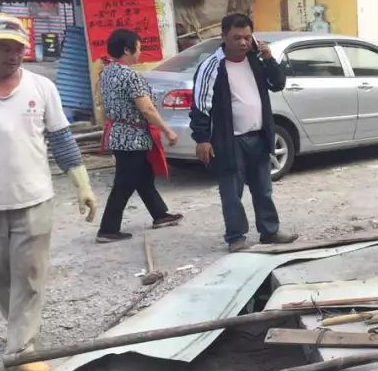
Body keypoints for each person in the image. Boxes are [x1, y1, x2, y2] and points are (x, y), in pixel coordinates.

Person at [0, 14, 97, 371]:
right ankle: (19, 329)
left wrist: (82, 185)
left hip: (34, 198)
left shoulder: (41, 87)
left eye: (18, 48)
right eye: (4, 48)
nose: (13, 55)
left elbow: (61, 139)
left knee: (29, 276)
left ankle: (21, 349)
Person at [190, 13, 298, 252]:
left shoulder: (256, 60)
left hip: (258, 136)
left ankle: (269, 231)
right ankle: (236, 237)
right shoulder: (212, 67)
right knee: (232, 193)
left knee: (264, 190)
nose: (243, 42)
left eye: (247, 37)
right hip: (228, 141)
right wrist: (202, 139)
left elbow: (278, 84)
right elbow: (200, 106)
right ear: (224, 37)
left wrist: (269, 58)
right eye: (236, 37)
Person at [96, 28, 182, 243]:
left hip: (119, 133)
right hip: (132, 137)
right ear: (127, 50)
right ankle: (108, 229)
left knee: (143, 176)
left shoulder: (107, 72)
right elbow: (147, 109)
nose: (139, 53)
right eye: (138, 48)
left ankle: (160, 214)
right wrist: (168, 130)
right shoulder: (130, 75)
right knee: (124, 183)